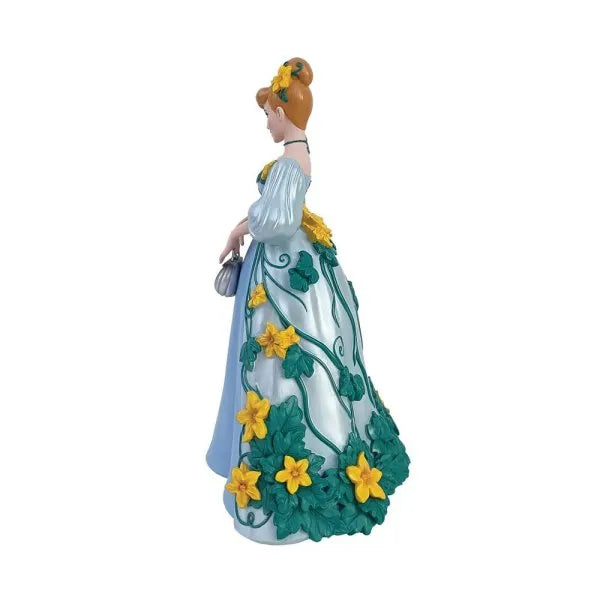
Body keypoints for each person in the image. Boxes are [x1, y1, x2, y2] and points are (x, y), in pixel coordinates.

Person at [207, 58, 410, 544]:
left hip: (281, 270)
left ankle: (296, 474)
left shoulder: (288, 163)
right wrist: (245, 223)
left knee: (279, 358)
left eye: (268, 115)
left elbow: (276, 221)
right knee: (310, 350)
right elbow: (280, 211)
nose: (267, 124)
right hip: (297, 261)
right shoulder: (298, 157)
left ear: (282, 113)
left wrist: (242, 226)